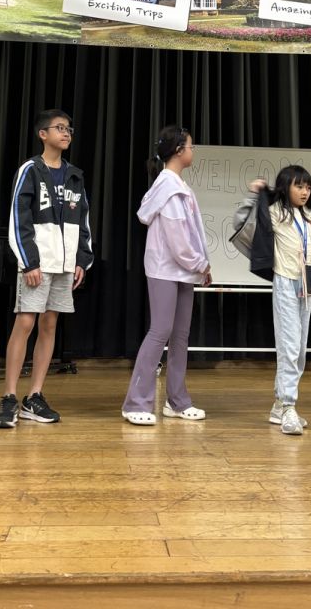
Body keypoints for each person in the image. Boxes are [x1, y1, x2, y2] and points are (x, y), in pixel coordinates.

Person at [0, 110, 93, 429]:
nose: (66, 133)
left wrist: (82, 260)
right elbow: (18, 217)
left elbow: (84, 221)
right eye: (59, 128)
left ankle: (34, 396)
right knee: (25, 322)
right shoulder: (31, 170)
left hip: (64, 265)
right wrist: (30, 261)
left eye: (69, 129)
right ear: (42, 134)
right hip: (38, 263)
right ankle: (9, 396)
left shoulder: (74, 175)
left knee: (49, 325)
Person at [122, 126, 211, 425]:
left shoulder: (178, 185)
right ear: (179, 151)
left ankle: (177, 400)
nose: (193, 151)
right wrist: (200, 264)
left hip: (184, 270)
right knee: (160, 331)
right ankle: (136, 403)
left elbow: (190, 235)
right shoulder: (168, 188)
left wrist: (200, 266)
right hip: (165, 268)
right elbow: (178, 239)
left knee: (180, 335)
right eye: (191, 146)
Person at [234, 167, 311, 435]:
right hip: (286, 282)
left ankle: (278, 406)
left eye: (308, 187)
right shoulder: (275, 212)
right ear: (285, 188)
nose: (305, 192)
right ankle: (287, 406)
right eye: (299, 186)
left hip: (307, 284)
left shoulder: (308, 214)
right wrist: (253, 197)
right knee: (289, 346)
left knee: (300, 349)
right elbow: (242, 224)